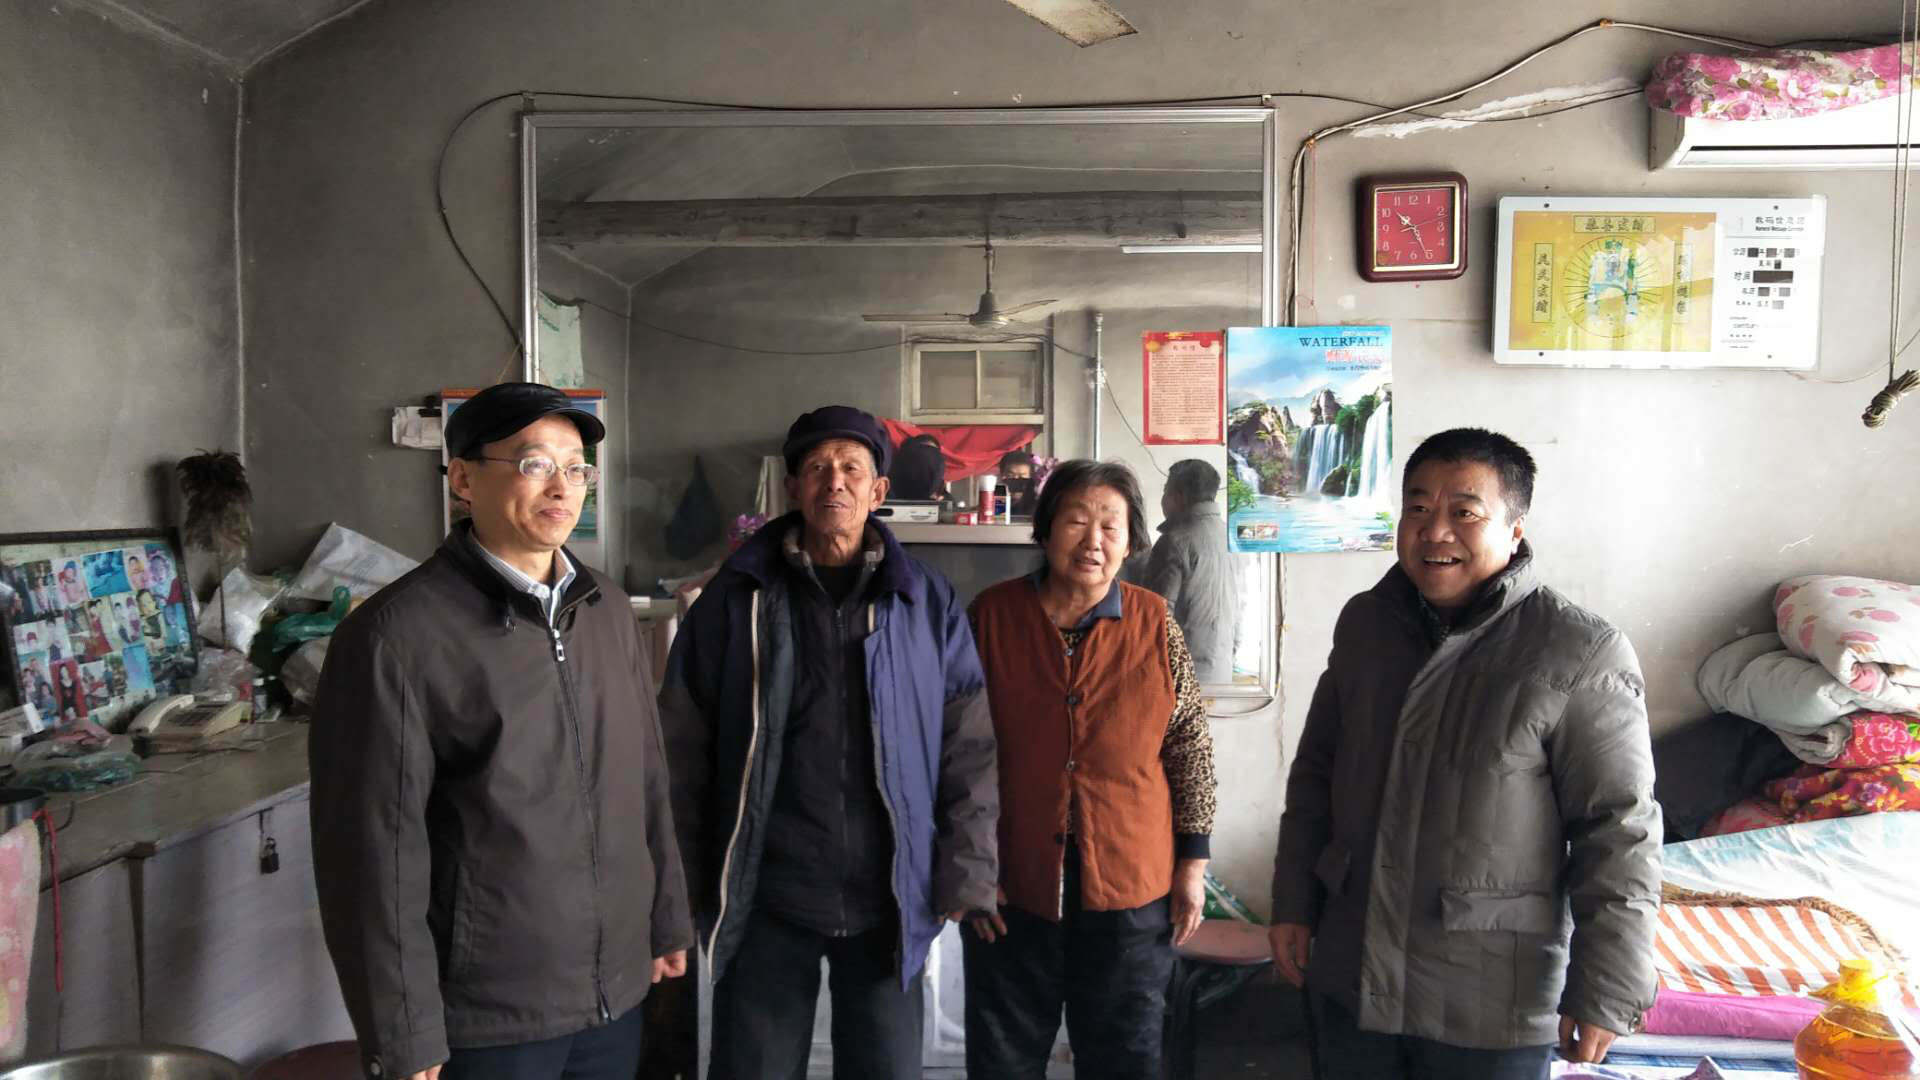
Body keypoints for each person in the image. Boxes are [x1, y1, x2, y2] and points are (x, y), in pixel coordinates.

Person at [310, 382, 693, 1080]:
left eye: (576, 468)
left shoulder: (606, 609)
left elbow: (645, 780)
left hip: (615, 992)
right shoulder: (395, 637)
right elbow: (374, 855)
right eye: (533, 463)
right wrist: (402, 1030)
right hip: (489, 1016)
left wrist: (665, 917)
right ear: (462, 480)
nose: (562, 486)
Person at [1269, 428, 1659, 1080]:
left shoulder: (1578, 650)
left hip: (1490, 997)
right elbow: (1316, 777)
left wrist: (1609, 985)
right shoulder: (1366, 625)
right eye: (1418, 508)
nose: (1435, 531)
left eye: (1465, 512)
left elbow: (1618, 828)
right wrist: (1292, 904)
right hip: (1352, 971)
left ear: (1515, 529)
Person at [659, 404, 999, 1080]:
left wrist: (968, 868)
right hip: (766, 890)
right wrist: (678, 887)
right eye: (816, 468)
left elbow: (969, 745)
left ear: (878, 490)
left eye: (851, 469)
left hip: (890, 895)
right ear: (793, 487)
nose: (834, 482)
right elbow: (680, 749)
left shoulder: (924, 600)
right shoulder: (736, 598)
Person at [963, 459, 1218, 1080]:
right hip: (1010, 882)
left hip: (1131, 889)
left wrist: (1192, 863)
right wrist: (969, 865)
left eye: (1111, 525)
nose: (1093, 541)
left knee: (1124, 1057)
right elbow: (955, 748)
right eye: (1077, 521)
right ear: (1047, 530)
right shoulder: (989, 617)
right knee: (1003, 1058)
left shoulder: (1156, 622)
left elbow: (1189, 747)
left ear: (1131, 541)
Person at [1144, 458, 1239, 684]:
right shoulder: (1232, 538)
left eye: (1165, 491)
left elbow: (1156, 614)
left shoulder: (1175, 541)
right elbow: (1241, 606)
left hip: (1178, 676)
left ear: (1178, 496)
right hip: (1222, 670)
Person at [887, 431, 949, 501]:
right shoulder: (886, 488)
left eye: (933, 455)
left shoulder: (943, 497)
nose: (928, 461)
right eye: (921, 454)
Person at [996, 449, 1038, 517]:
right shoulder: (991, 503)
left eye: (1022, 477)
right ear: (1001, 475)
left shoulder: (1038, 507)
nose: (1016, 481)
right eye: (1011, 476)